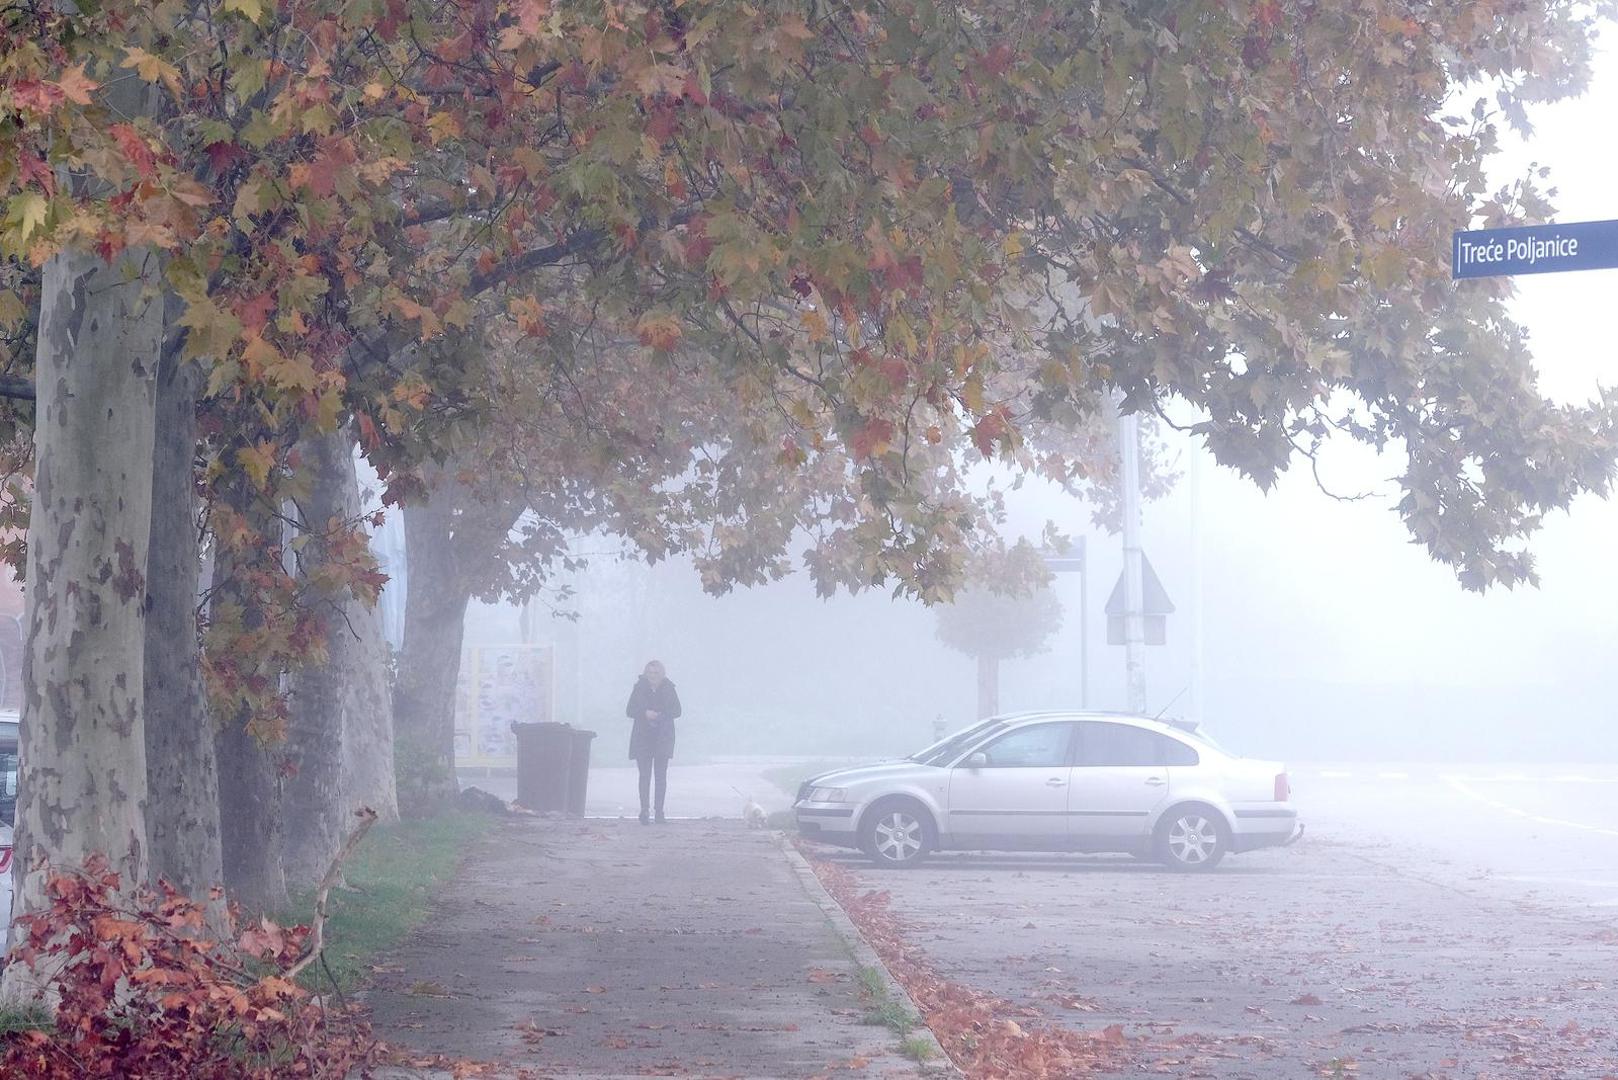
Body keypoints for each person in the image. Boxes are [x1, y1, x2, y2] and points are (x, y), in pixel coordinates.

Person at [625, 660, 681, 824]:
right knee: (644, 776)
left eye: (656, 673)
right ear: (646, 673)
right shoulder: (639, 688)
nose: (653, 676)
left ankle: (659, 812)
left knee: (660, 777)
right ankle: (644, 811)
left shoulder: (669, 688)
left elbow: (677, 711)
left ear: (662, 674)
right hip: (642, 737)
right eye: (650, 672)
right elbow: (629, 710)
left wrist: (660, 716)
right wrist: (644, 713)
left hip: (663, 737)